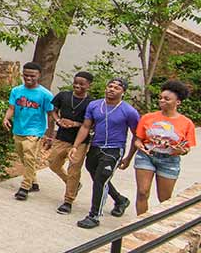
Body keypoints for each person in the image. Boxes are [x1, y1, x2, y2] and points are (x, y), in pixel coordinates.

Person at [69, 78, 141, 229]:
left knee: (101, 179)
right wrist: (75, 146)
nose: (112, 89)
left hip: (114, 149)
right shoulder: (94, 105)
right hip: (95, 147)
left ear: (123, 92)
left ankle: (94, 216)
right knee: (97, 177)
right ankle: (120, 199)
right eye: (110, 86)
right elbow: (86, 126)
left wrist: (128, 157)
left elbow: (137, 135)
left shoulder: (129, 111)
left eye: (117, 87)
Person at [124, 80, 196, 216]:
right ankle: (140, 223)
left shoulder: (186, 123)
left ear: (178, 102)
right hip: (146, 157)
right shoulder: (147, 118)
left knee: (165, 199)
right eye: (160, 98)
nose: (162, 101)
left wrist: (181, 151)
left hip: (170, 161)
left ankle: (161, 226)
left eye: (167, 99)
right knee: (142, 192)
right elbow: (138, 140)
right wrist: (140, 146)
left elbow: (186, 148)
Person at [3, 62, 55, 201]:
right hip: (19, 128)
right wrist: (6, 118)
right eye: (26, 75)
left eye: (32, 75)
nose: (28, 78)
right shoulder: (16, 91)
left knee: (30, 156)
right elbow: (12, 108)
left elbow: (51, 115)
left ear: (39, 75)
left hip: (35, 130)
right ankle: (34, 182)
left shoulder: (45, 95)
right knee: (23, 157)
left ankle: (24, 187)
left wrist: (50, 135)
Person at [45, 71, 94, 215]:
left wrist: (75, 123)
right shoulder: (63, 96)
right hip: (61, 138)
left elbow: (90, 124)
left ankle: (68, 200)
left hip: (80, 142)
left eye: (82, 84)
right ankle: (73, 184)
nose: (77, 86)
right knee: (53, 163)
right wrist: (58, 120)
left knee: (74, 169)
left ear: (89, 86)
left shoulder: (91, 103)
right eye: (76, 82)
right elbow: (53, 111)